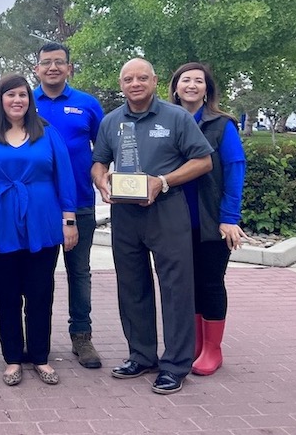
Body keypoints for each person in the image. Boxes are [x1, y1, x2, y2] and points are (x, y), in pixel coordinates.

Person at [92, 58, 213, 395]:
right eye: (128, 79)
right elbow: (99, 162)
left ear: (155, 81)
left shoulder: (177, 117)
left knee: (176, 288)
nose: (135, 83)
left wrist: (162, 181)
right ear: (121, 84)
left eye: (142, 77)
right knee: (132, 285)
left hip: (166, 210)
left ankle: (175, 365)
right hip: (125, 214)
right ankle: (141, 355)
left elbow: (203, 161)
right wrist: (102, 183)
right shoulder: (111, 121)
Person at [0, 73, 78, 387]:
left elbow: (64, 178)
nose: (17, 100)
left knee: (41, 293)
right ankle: (13, 358)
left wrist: (69, 221)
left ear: (30, 100)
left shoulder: (47, 132)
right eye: (10, 95)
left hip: (42, 221)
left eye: (23, 95)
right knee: (7, 294)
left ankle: (40, 357)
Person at [169, 62, 247, 376]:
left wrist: (229, 217)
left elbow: (235, 169)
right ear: (175, 87)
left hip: (211, 219)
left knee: (210, 283)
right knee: (186, 285)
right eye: (185, 80)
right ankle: (195, 345)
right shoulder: (167, 121)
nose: (191, 85)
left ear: (207, 89)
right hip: (174, 218)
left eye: (198, 81)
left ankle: (212, 350)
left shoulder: (221, 124)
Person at [33, 43, 105, 368]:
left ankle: (81, 337)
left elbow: (105, 149)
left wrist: (103, 176)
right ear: (36, 69)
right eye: (46, 63)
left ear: (69, 68)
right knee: (38, 275)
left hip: (81, 203)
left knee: (79, 272)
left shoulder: (87, 105)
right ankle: (36, 339)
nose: (52, 68)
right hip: (39, 208)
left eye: (59, 62)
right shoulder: (23, 103)